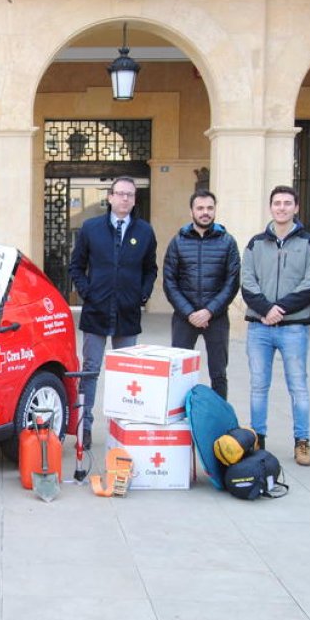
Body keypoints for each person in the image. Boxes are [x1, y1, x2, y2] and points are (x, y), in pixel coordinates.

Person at [69, 176, 158, 449]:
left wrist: (141, 295)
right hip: (96, 311)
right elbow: (76, 266)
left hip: (127, 314)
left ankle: (123, 428)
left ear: (134, 199)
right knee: (91, 370)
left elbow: (150, 268)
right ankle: (84, 427)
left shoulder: (144, 232)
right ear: (109, 197)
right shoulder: (91, 228)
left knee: (126, 374)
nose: (124, 199)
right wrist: (88, 292)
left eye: (129, 195)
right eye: (119, 194)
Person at [241, 185, 310, 466]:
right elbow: (248, 282)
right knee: (258, 386)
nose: (282, 208)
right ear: (270, 207)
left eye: (288, 203)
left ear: (296, 208)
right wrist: (266, 309)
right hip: (259, 327)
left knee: (298, 386)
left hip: (294, 328)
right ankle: (257, 438)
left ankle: (302, 441)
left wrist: (281, 309)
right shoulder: (255, 243)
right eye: (277, 203)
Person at [162, 189, 240, 399]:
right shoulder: (178, 242)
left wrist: (209, 311)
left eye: (209, 208)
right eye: (200, 208)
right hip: (184, 318)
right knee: (179, 372)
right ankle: (180, 421)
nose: (205, 212)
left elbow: (232, 282)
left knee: (219, 373)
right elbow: (169, 282)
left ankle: (220, 421)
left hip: (217, 317)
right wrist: (190, 313)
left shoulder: (228, 242)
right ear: (191, 212)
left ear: (215, 211)